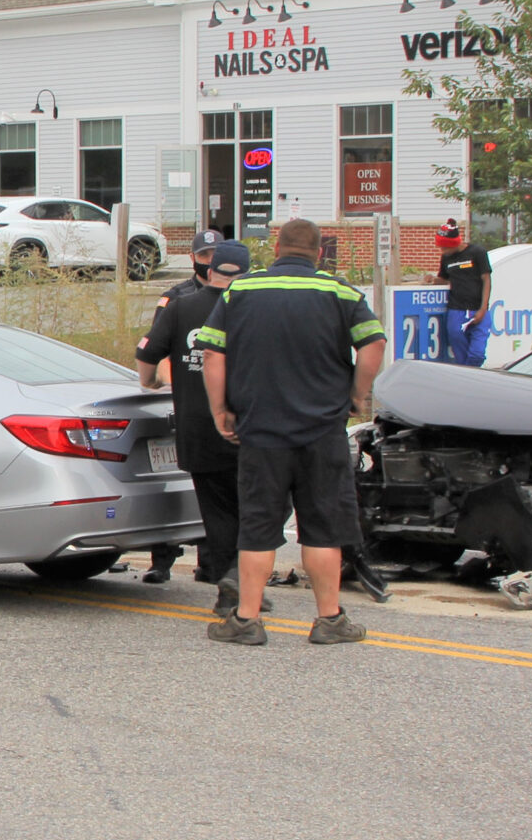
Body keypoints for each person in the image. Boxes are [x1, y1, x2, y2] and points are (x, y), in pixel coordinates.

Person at [197, 218, 387, 646]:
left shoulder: (241, 290)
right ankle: (330, 620)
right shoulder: (339, 291)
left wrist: (220, 409)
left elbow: (213, 354)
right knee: (323, 526)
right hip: (323, 432)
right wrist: (357, 394)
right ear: (320, 253)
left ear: (275, 249)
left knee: (259, 526)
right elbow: (374, 343)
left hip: (261, 431)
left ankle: (245, 620)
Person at [135, 239, 252, 613]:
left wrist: (151, 382)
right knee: (259, 508)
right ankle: (243, 577)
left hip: (198, 427)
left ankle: (228, 582)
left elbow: (147, 354)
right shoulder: (255, 307)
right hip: (252, 426)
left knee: (217, 513)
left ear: (210, 267)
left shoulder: (182, 306)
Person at [129, 233, 224, 583]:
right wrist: (167, 386)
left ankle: (212, 563)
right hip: (186, 396)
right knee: (172, 481)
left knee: (212, 490)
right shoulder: (177, 298)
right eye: (205, 253)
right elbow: (159, 347)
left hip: (220, 402)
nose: (210, 259)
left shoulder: (236, 298)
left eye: (216, 253)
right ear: (193, 257)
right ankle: (162, 559)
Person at [430, 219, 492, 367]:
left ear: (453, 243)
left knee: (477, 354)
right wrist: (432, 279)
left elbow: (486, 280)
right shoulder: (446, 258)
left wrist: (483, 308)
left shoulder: (477, 253)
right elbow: (444, 279)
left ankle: (472, 375)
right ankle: (467, 379)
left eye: (444, 247)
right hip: (456, 310)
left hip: (478, 309)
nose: (442, 251)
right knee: (460, 354)